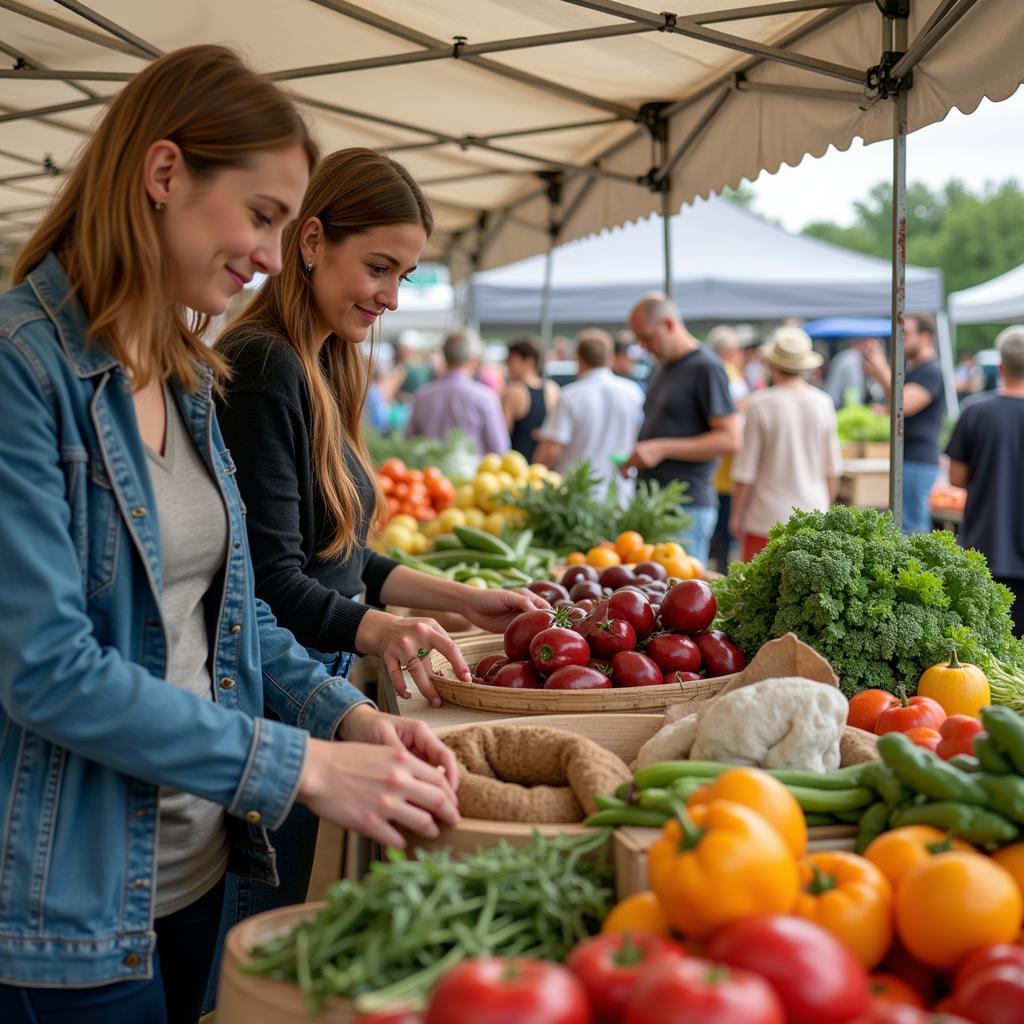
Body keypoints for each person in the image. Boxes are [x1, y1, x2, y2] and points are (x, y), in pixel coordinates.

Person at [0, 47, 459, 1024]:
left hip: (202, 863)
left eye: (285, 225)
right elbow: (46, 668)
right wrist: (306, 764)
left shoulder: (191, 378)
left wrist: (346, 715)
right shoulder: (20, 374)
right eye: (260, 213)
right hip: (65, 910)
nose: (268, 249)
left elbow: (237, 609)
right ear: (164, 175)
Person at [213, 148, 546, 978]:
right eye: (380, 267)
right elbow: (269, 582)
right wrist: (381, 628)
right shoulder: (265, 366)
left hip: (316, 682)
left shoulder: (323, 360)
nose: (391, 297)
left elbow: (343, 556)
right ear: (312, 239)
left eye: (405, 275)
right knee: (264, 936)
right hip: (279, 694)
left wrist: (465, 600)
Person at [623, 296, 741, 564]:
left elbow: (731, 439)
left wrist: (661, 448)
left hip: (687, 506)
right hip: (654, 505)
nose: (643, 346)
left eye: (647, 337)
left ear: (668, 324)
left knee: (679, 596)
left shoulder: (707, 367)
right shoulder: (659, 369)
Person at [730, 327, 843, 561]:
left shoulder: (759, 404)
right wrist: (825, 508)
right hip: (812, 516)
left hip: (765, 519)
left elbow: (745, 471)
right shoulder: (823, 403)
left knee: (756, 593)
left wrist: (736, 515)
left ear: (772, 364)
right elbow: (833, 470)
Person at [946, 326, 1024, 636]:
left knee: (991, 651)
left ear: (1001, 367)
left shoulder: (975, 412)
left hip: (986, 547)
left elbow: (955, 478)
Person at [534, 328, 644, 498]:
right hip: (620, 494)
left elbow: (551, 450)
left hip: (577, 499)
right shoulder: (633, 392)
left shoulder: (570, 396)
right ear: (611, 358)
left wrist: (533, 478)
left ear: (579, 358)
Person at [862, 314, 945, 534]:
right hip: (909, 459)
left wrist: (881, 369)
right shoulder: (915, 369)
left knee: (912, 529)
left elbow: (903, 404)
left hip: (918, 460)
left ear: (925, 337)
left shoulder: (931, 370)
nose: (899, 340)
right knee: (904, 526)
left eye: (905, 334)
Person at [405, 328, 510, 454]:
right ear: (473, 360)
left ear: (445, 356)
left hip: (428, 472)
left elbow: (409, 441)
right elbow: (499, 448)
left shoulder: (422, 395)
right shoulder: (486, 398)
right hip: (474, 473)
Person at [706, 325, 750, 571]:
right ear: (730, 351)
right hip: (727, 464)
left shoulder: (718, 373)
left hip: (721, 463)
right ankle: (723, 571)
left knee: (722, 526)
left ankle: (721, 567)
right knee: (726, 523)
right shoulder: (727, 374)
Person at [501, 335, 559, 462]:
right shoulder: (552, 389)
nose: (508, 367)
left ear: (529, 361)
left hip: (516, 466)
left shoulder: (513, 392)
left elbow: (502, 434)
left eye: (511, 361)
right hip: (544, 466)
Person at [825, 338, 872, 409]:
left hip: (835, 403)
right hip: (843, 408)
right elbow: (855, 396)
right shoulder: (852, 361)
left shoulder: (843, 357)